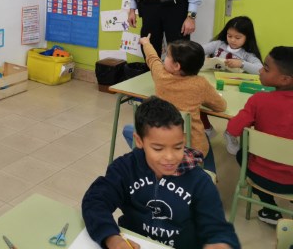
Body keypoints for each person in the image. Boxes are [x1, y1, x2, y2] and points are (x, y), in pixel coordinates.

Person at [83, 96, 240, 249]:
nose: (170, 157)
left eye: (178, 147)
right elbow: (95, 200)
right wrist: (111, 238)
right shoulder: (124, 169)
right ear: (139, 141)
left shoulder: (199, 182)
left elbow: (218, 229)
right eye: (158, 148)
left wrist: (220, 242)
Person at [122, 35, 226, 172]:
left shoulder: (161, 76)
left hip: (161, 141)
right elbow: (221, 106)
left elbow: (153, 59)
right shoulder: (201, 84)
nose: (164, 59)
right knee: (203, 135)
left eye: (167, 56)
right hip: (191, 148)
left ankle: (153, 162)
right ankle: (209, 174)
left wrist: (146, 42)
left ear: (176, 66)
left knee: (128, 130)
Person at [226, 46, 293, 225]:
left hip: (262, 178)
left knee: (242, 154)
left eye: (266, 68)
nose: (260, 71)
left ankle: (270, 210)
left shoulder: (258, 100)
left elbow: (232, 129)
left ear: (285, 79)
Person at [201, 16, 263, 140]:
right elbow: (199, 49)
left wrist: (242, 64)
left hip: (233, 88)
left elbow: (260, 69)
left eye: (238, 37)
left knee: (233, 111)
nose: (232, 40)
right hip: (213, 82)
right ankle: (207, 128)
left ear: (247, 37)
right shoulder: (219, 44)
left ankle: (230, 133)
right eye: (229, 36)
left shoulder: (246, 54)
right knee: (201, 103)